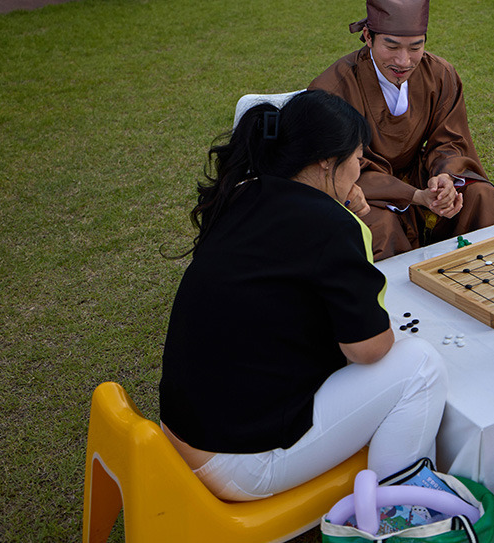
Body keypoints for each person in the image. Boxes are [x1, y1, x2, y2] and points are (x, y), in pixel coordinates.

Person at [159, 89, 448, 501]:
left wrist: (337, 205)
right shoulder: (329, 224)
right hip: (239, 460)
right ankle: (396, 509)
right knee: (420, 365)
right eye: (358, 160)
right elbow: (369, 349)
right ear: (327, 161)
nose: (359, 173)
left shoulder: (243, 191)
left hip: (184, 430)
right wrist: (345, 219)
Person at [308, 0, 494, 260]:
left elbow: (450, 140)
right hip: (363, 188)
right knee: (379, 227)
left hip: (422, 177)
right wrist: (413, 196)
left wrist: (444, 178)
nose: (403, 61)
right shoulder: (333, 88)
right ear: (368, 36)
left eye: (415, 47)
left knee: (482, 197)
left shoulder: (439, 74)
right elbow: (334, 168)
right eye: (392, 47)